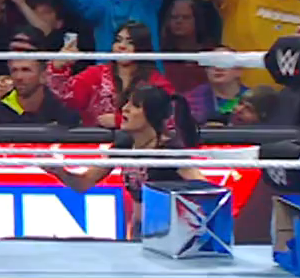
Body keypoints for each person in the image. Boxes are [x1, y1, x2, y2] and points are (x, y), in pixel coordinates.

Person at [45, 85, 208, 236]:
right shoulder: (124, 146)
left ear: (152, 114)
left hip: (168, 235)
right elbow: (84, 183)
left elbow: (205, 190)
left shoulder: (168, 152)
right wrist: (60, 173)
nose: (125, 109)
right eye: (127, 103)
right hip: (138, 234)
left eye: (135, 106)